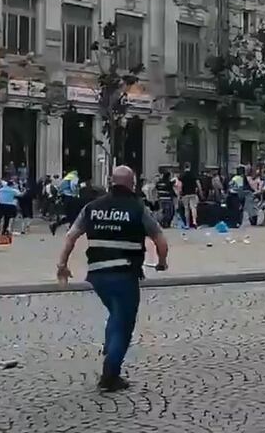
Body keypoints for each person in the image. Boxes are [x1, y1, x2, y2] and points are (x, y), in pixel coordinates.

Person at [55, 166, 169, 392]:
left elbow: (71, 237)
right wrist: (162, 262)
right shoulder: (137, 208)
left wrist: (62, 265)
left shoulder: (92, 207)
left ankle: (109, 345)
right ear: (132, 183)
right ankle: (110, 374)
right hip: (125, 274)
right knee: (125, 324)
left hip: (98, 275)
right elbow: (160, 240)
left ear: (111, 182)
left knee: (116, 313)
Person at [50, 169, 81, 235]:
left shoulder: (68, 176)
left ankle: (56, 225)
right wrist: (76, 194)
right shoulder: (74, 177)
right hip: (69, 196)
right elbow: (73, 186)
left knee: (70, 215)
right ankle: (71, 230)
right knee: (73, 214)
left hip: (64, 197)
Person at [177, 163, 201, 229]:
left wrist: (179, 194)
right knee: (193, 208)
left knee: (186, 209)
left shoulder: (182, 176)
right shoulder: (193, 175)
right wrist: (200, 192)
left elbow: (179, 185)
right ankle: (194, 221)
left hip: (185, 194)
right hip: (193, 193)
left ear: (184, 167)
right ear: (190, 167)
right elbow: (198, 184)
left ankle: (187, 224)